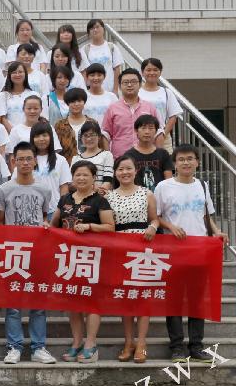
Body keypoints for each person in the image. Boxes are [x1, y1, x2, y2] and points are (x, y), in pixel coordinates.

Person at [154, 144, 229, 363]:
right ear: (175, 163)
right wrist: (171, 226)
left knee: (197, 299)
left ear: (197, 162)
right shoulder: (163, 186)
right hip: (173, 250)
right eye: (181, 159)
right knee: (174, 299)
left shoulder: (202, 185)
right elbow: (155, 216)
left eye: (190, 159)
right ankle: (177, 347)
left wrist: (217, 231)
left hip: (199, 249)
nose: (186, 163)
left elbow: (206, 215)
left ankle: (196, 346)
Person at [0, 142, 57, 365]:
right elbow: (0, 223)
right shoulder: (3, 189)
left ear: (35, 161)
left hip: (38, 252)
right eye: (20, 159)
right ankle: (14, 347)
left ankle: (38, 347)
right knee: (13, 304)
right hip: (13, 252)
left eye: (28, 159)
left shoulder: (44, 189)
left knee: (38, 302)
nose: (24, 163)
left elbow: (45, 217)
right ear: (13, 162)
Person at [51, 161, 116, 363]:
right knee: (73, 302)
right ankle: (77, 342)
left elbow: (110, 227)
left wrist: (89, 226)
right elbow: (54, 225)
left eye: (85, 175)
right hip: (68, 258)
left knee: (91, 301)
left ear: (94, 177)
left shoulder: (100, 201)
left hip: (91, 258)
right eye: (77, 174)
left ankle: (91, 344)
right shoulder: (64, 199)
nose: (81, 178)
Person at [106, 154, 160, 364]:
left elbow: (155, 219)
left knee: (143, 297)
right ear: (115, 173)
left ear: (135, 171)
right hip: (119, 250)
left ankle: (142, 343)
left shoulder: (147, 193)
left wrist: (153, 227)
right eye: (120, 169)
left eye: (128, 168)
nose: (125, 172)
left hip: (143, 249)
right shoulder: (109, 197)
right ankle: (128, 342)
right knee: (125, 298)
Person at [102, 68, 162, 158]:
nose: (129, 85)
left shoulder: (150, 107)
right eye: (125, 82)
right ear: (119, 86)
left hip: (146, 158)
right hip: (120, 158)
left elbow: (159, 132)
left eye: (133, 82)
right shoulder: (112, 108)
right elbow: (105, 134)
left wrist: (159, 156)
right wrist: (108, 158)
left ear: (140, 84)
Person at [138, 58, 181, 153]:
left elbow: (173, 116)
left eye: (155, 70)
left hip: (162, 135)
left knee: (164, 160)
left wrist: (163, 134)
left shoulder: (166, 92)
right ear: (142, 72)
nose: (152, 73)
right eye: (148, 70)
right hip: (140, 136)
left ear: (160, 72)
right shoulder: (137, 92)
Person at [124, 114, 174, 191]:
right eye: (143, 128)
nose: (147, 132)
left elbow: (168, 180)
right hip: (137, 195)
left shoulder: (163, 154)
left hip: (159, 194)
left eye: (151, 128)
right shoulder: (129, 155)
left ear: (156, 131)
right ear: (136, 130)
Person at [81, 19, 124, 92]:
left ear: (103, 29)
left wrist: (115, 89)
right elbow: (84, 72)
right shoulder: (85, 49)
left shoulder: (112, 47)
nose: (95, 30)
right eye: (92, 28)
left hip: (110, 90)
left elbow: (117, 70)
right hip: (92, 91)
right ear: (88, 33)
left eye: (97, 27)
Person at [71, 121, 114, 193]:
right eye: (85, 135)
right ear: (81, 138)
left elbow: (108, 182)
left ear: (99, 137)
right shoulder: (76, 158)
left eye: (92, 135)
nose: (89, 139)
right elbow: (72, 183)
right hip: (80, 197)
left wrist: (96, 191)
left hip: (100, 196)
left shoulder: (107, 155)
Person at [0, 61, 35, 132]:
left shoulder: (33, 94)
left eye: (20, 72)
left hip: (30, 133)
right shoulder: (3, 95)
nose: (17, 75)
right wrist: (14, 133)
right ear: (9, 75)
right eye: (14, 72)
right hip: (10, 134)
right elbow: (3, 118)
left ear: (25, 74)